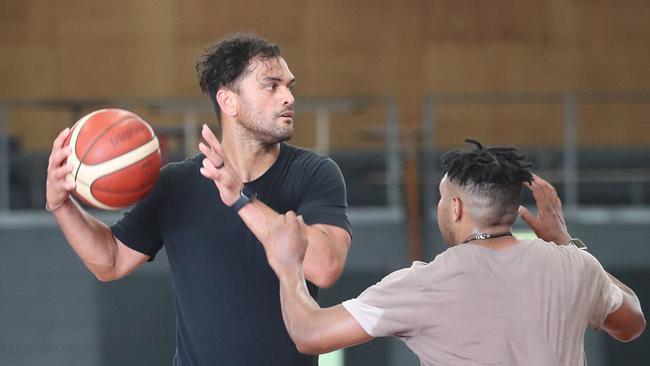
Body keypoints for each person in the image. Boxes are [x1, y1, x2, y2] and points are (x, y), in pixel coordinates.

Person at [45, 34, 352, 365]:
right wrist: (62, 205)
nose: (289, 97)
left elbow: (325, 267)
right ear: (228, 101)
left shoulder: (314, 173)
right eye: (271, 85)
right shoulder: (177, 183)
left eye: (289, 86)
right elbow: (110, 261)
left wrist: (241, 199)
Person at [261, 140, 646, 365]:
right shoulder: (573, 266)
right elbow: (632, 323)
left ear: (457, 208)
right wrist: (565, 242)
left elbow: (310, 334)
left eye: (442, 199)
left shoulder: (423, 284)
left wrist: (288, 264)